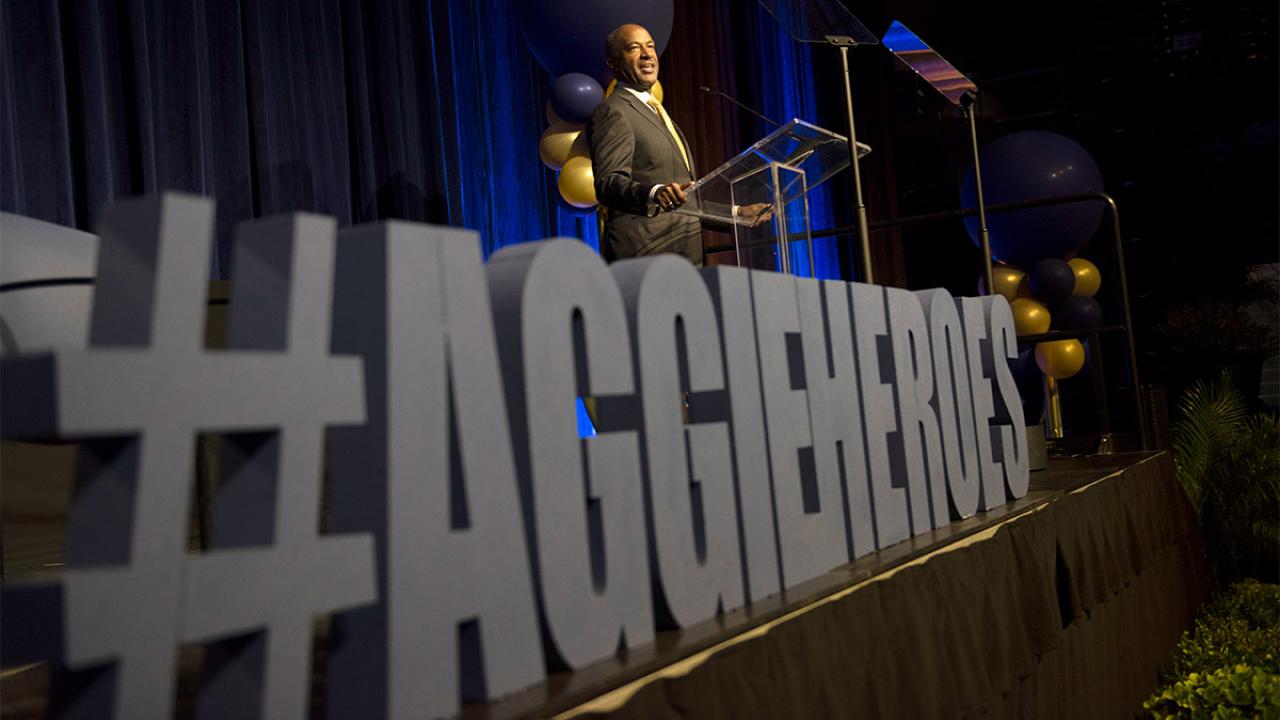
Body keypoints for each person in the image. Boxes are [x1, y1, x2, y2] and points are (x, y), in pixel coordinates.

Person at [588, 24, 767, 267]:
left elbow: (682, 197)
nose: (647, 54)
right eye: (633, 48)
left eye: (650, 46)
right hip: (645, 259)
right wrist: (654, 192)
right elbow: (608, 184)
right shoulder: (614, 111)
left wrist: (736, 214)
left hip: (683, 260)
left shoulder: (658, 114)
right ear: (613, 63)